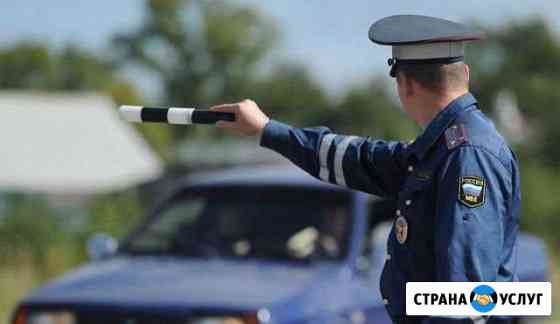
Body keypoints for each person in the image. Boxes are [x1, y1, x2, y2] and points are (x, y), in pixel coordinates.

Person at [210, 15, 520, 324]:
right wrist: (266, 129)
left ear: (406, 84)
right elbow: (359, 159)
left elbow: (464, 298)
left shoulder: (466, 154)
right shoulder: (441, 147)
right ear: (464, 73)